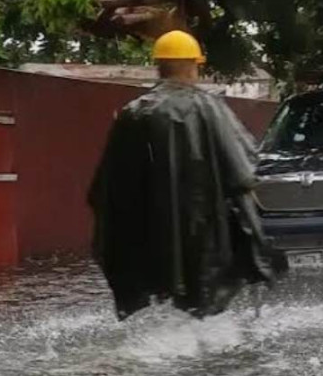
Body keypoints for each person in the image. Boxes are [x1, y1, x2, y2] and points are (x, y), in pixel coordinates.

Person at [88, 30, 273, 320]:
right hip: (206, 227)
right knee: (203, 302)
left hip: (152, 230)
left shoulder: (134, 112)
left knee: (162, 297)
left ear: (159, 66)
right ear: (191, 65)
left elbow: (110, 184)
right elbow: (242, 170)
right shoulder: (211, 108)